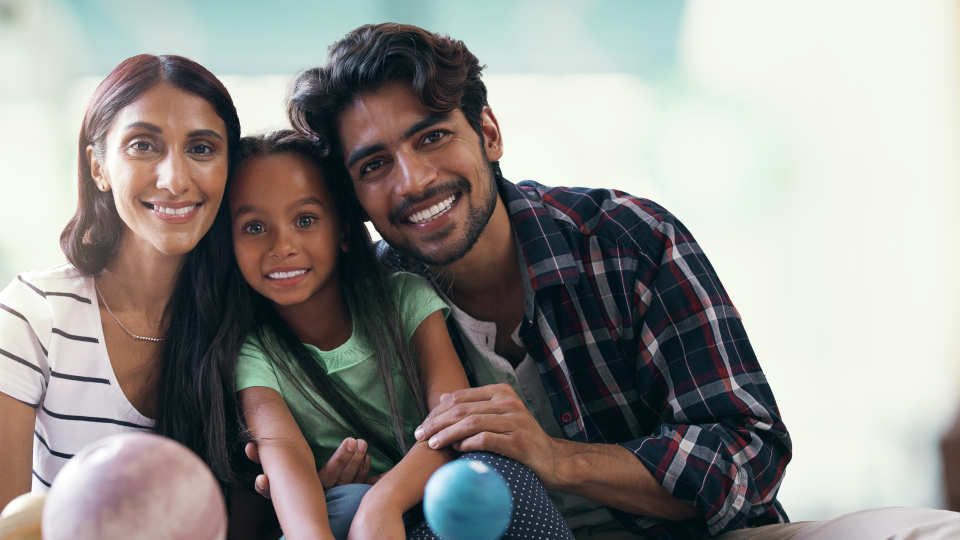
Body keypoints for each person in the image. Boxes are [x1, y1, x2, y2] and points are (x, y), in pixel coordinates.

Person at [277, 23, 960, 540]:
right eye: (374, 166)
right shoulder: (358, 303)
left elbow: (747, 453)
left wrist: (558, 459)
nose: (413, 181)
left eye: (431, 138)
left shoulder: (628, 239)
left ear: (488, 132)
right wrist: (343, 483)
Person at [228, 130, 574, 540]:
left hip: (433, 496)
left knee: (497, 476)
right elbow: (286, 460)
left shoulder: (404, 298)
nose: (282, 245)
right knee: (341, 505)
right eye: (253, 228)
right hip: (341, 515)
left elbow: (453, 421)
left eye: (305, 220)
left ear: (341, 231)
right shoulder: (253, 354)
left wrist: (383, 504)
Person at [0, 54, 264, 535]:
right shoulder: (33, 315)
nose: (175, 179)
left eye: (202, 148)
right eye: (143, 145)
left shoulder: (246, 317)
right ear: (98, 167)